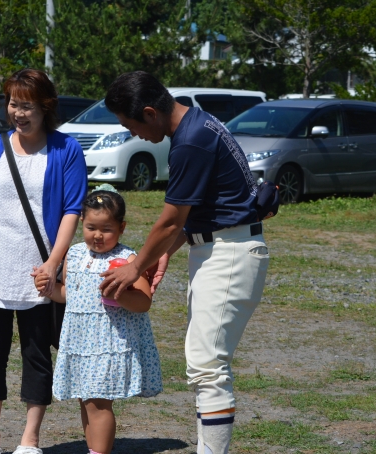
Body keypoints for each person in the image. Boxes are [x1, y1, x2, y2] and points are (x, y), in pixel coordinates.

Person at [100, 71, 270, 454]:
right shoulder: (197, 123)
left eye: (130, 125)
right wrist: (163, 254)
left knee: (208, 367)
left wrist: (134, 266)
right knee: (206, 364)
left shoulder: (190, 141)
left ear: (150, 112)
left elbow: (171, 220)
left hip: (228, 253)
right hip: (221, 248)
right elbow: (198, 212)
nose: (133, 134)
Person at [0, 68, 88, 454]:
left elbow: (72, 210)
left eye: (27, 106)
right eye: (13, 104)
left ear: (46, 108)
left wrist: (53, 264)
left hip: (39, 271)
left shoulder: (66, 149)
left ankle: (30, 439)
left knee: (37, 354)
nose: (18, 113)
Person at [34, 186, 162, 454]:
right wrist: (47, 287)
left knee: (98, 402)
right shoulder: (75, 254)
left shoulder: (128, 260)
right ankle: (94, 448)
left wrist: (120, 295)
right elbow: (69, 293)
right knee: (86, 400)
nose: (98, 235)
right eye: (91, 227)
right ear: (82, 222)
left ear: (122, 227)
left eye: (107, 229)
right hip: (81, 341)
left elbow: (144, 302)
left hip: (108, 343)